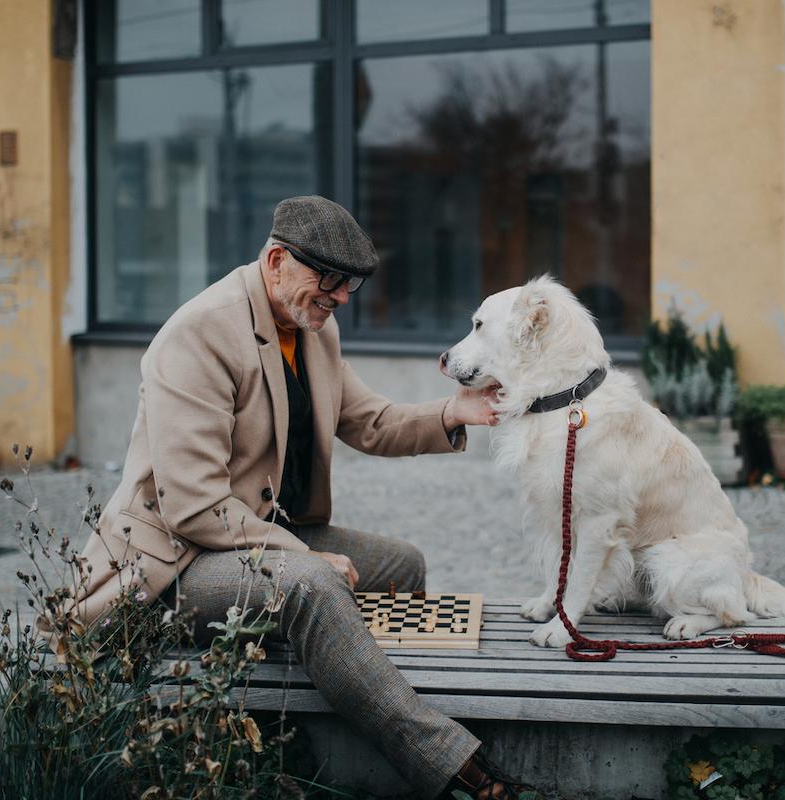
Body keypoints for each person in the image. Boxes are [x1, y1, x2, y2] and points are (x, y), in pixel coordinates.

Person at [73, 196, 533, 799]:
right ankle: (449, 764)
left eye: (351, 285)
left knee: (402, 565)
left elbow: (371, 421)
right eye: (332, 281)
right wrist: (302, 558)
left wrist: (455, 410)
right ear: (276, 261)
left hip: (258, 531)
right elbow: (192, 506)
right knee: (309, 585)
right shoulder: (197, 336)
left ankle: (354, 696)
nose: (342, 297)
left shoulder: (312, 328)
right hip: (173, 563)